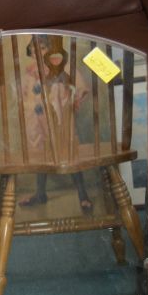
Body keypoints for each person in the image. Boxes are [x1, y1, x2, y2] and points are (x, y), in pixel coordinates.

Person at [18, 36, 94, 214]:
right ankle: (40, 193)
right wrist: (28, 106)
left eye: (42, 48)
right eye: (34, 49)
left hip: (59, 119)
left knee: (68, 152)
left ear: (50, 49)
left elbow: (80, 86)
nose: (37, 52)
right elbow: (23, 95)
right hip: (36, 122)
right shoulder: (29, 72)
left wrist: (73, 101)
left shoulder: (61, 65)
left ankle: (83, 194)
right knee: (41, 155)